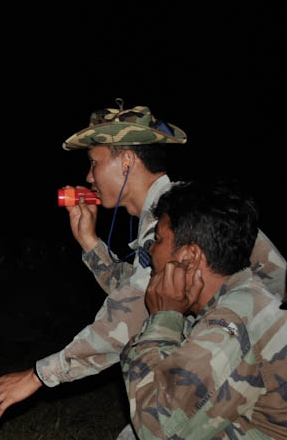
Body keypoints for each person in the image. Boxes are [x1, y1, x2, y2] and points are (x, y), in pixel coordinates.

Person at [0, 103, 286, 436]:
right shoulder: (175, 209)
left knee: (155, 426)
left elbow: (129, 316)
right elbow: (144, 293)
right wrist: (91, 245)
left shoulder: (176, 222)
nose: (89, 177)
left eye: (94, 163)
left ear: (126, 161)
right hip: (242, 357)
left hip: (255, 361)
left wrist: (39, 375)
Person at [122, 180, 287, 439]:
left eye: (159, 240)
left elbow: (155, 429)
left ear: (189, 257)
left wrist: (163, 321)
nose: (150, 248)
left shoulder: (234, 320)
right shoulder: (243, 296)